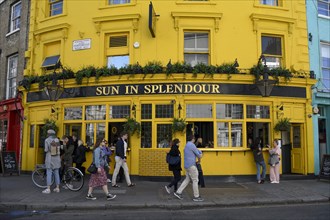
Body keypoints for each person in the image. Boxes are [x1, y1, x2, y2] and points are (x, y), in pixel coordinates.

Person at [174, 135, 203, 202]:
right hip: (192, 166)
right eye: (194, 139)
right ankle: (196, 196)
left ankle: (178, 192)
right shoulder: (192, 145)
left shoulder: (186, 145)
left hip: (187, 166)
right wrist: (201, 153)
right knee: (195, 180)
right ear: (193, 139)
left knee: (187, 179)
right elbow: (199, 155)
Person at [42, 129, 61, 194]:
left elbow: (46, 149)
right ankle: (57, 188)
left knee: (49, 173)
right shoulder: (57, 140)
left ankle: (48, 189)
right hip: (57, 158)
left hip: (50, 158)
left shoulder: (47, 140)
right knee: (56, 172)